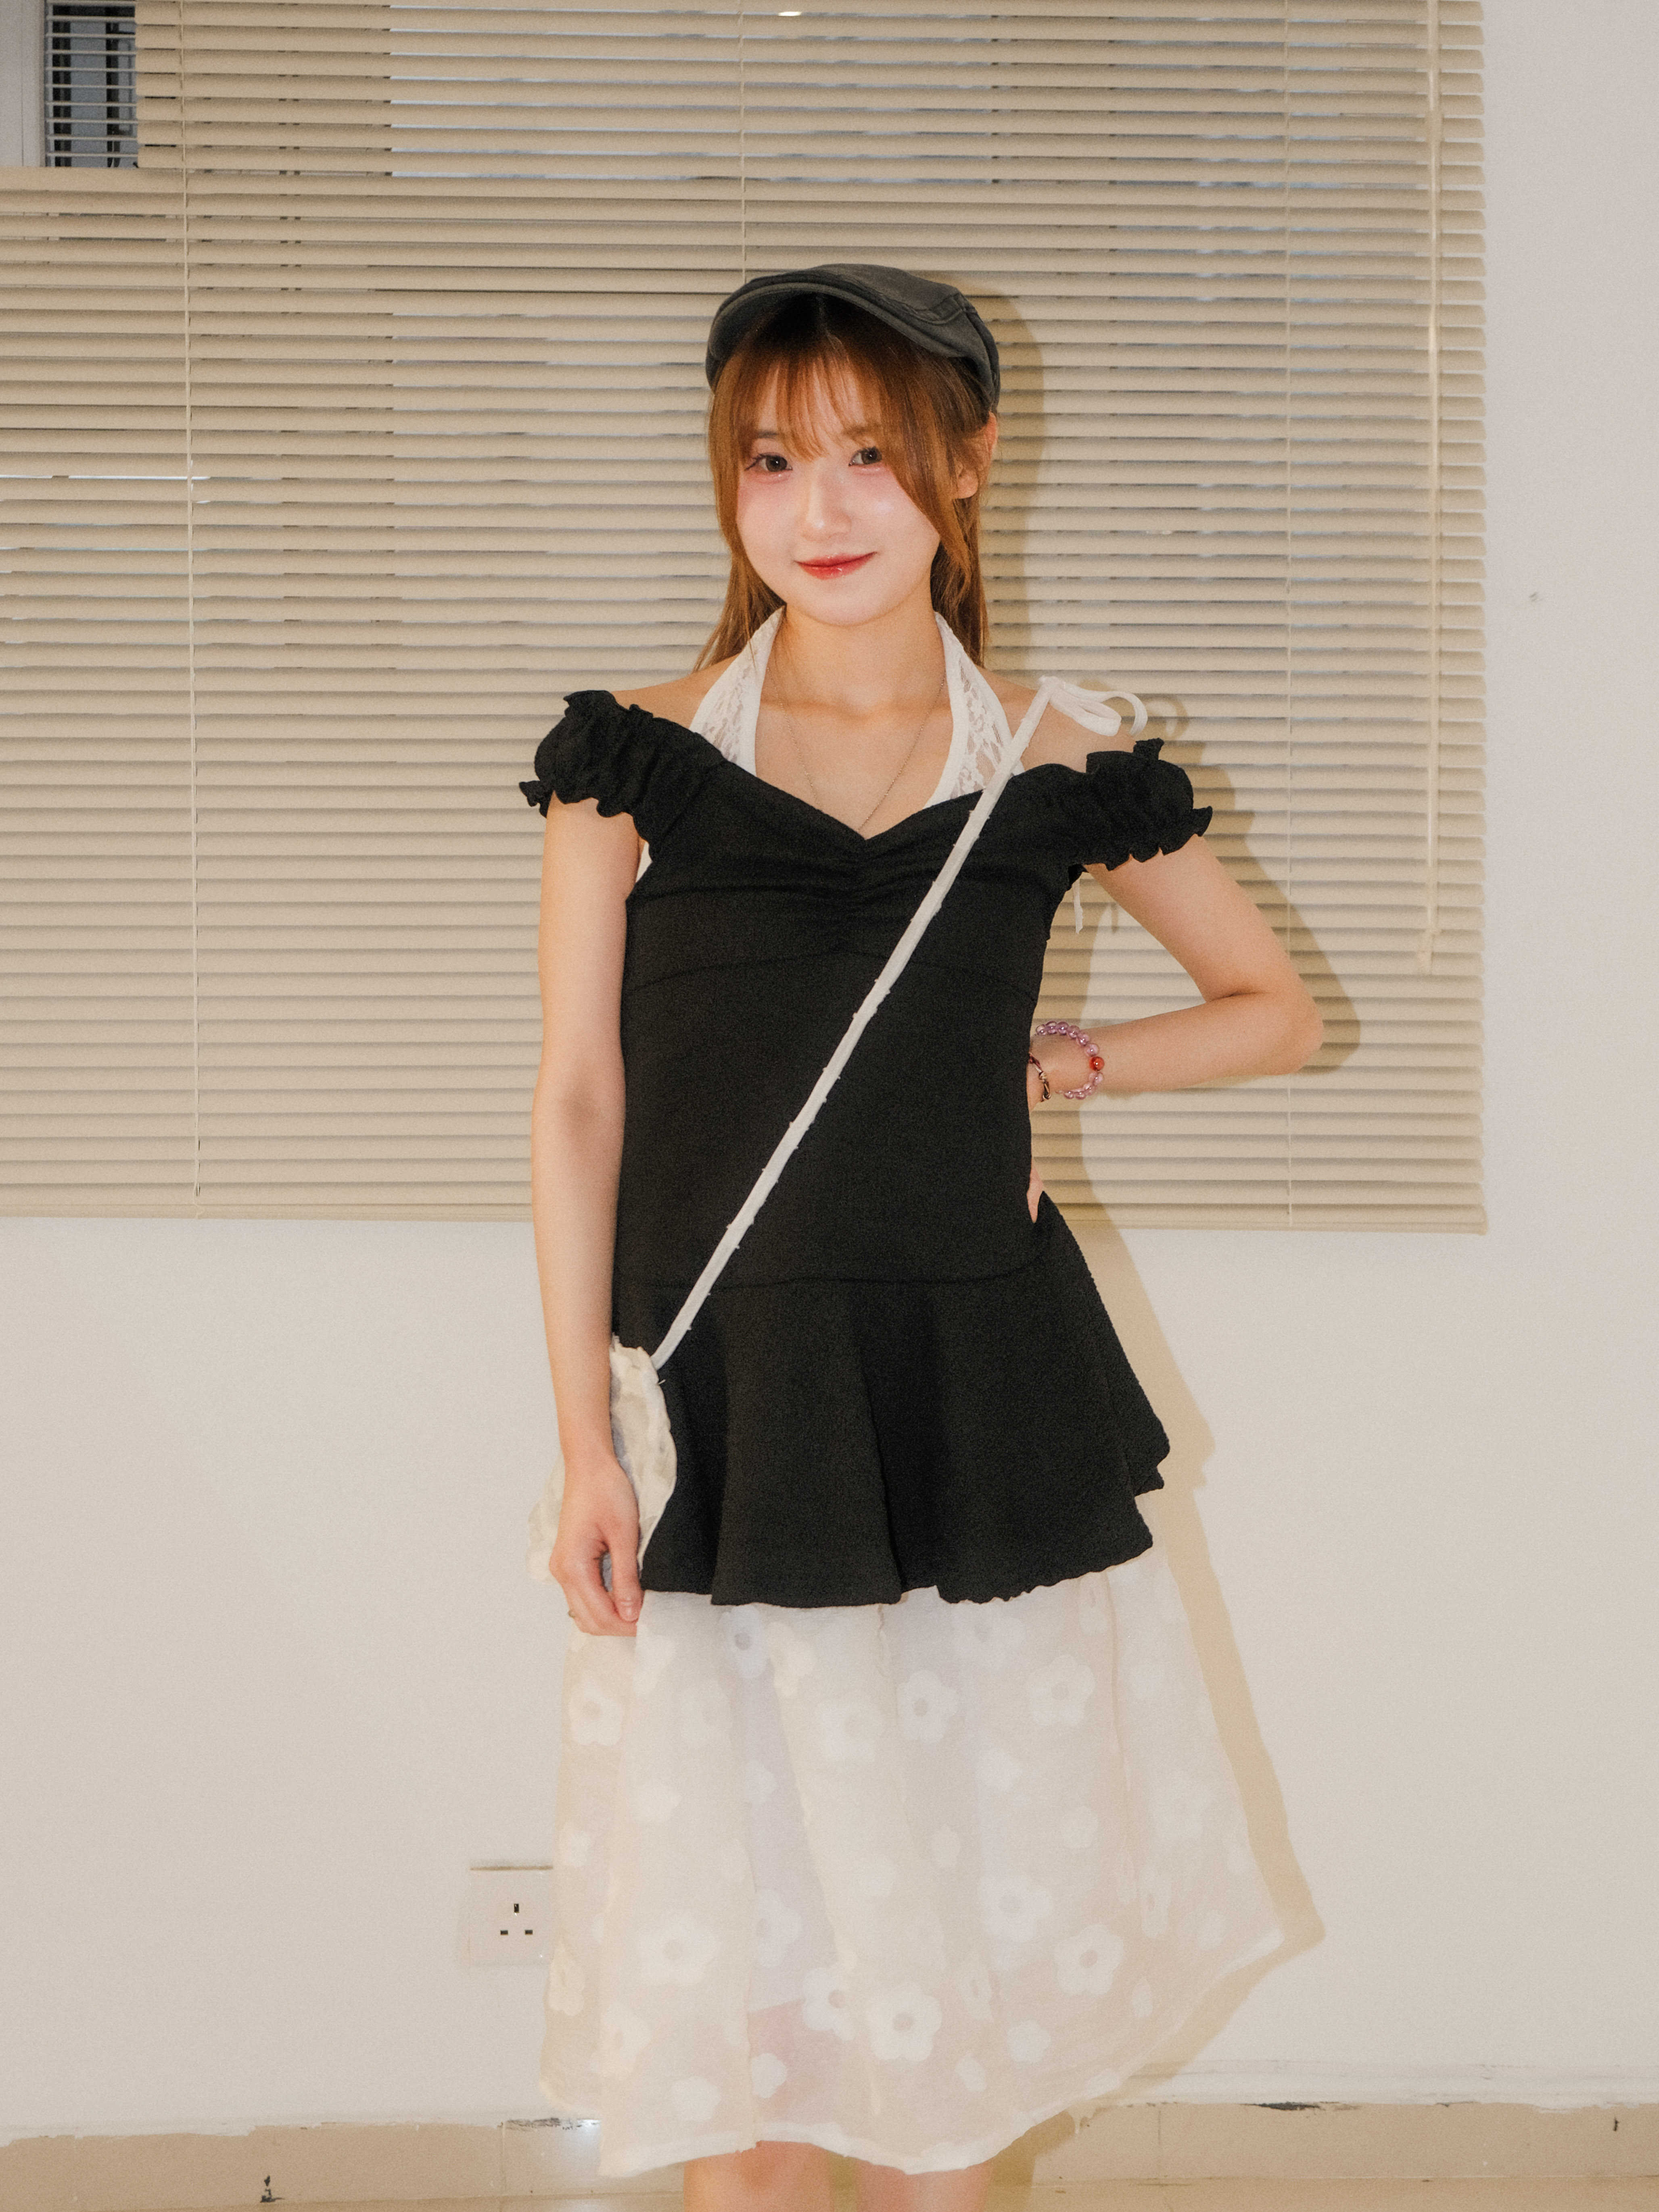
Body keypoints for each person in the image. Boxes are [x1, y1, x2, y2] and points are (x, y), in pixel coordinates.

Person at [520, 264, 1321, 2210]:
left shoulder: (1056, 757)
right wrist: (578, 1446)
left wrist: (1071, 1062)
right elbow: (576, 1104)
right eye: (769, 461)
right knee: (747, 2059)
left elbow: (1272, 1012)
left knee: (944, 2040)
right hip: (726, 1413)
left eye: (868, 458)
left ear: (966, 467)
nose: (817, 510)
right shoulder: (633, 757)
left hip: (970, 1410)